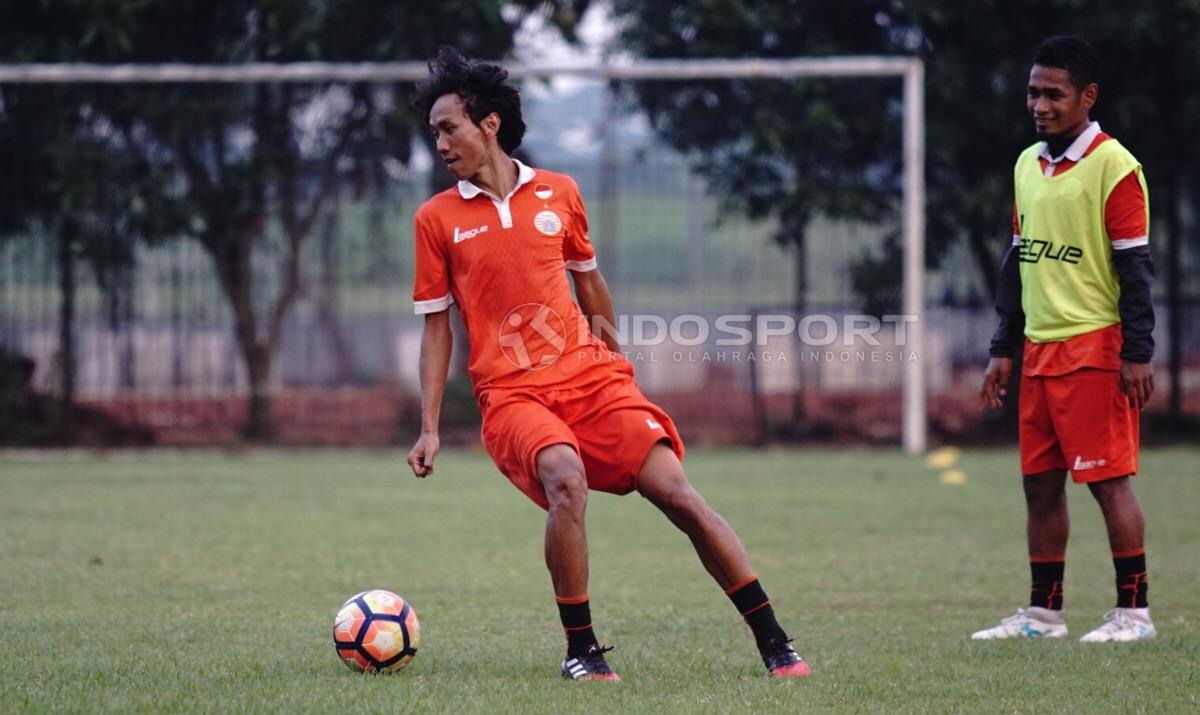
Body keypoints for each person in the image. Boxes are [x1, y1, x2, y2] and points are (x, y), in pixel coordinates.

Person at [404, 47, 811, 680]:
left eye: (447, 127)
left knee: (678, 493)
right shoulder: (436, 219)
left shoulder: (560, 193)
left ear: (488, 123)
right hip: (512, 395)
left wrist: (615, 364)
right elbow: (436, 331)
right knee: (565, 478)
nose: (439, 142)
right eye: (433, 132)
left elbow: (590, 285)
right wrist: (429, 426)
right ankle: (582, 651)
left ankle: (775, 640)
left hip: (592, 379)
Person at [976, 35, 1157, 642]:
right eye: (1034, 92)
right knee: (1040, 483)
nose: (1040, 104)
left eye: (1054, 93)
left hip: (1097, 348)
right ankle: (1044, 613)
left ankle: (1134, 613)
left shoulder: (1115, 167)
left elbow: (1135, 269)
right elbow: (1017, 262)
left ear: (1088, 96)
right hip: (1040, 352)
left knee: (1108, 482)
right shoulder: (1028, 165)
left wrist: (1137, 353)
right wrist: (1004, 347)